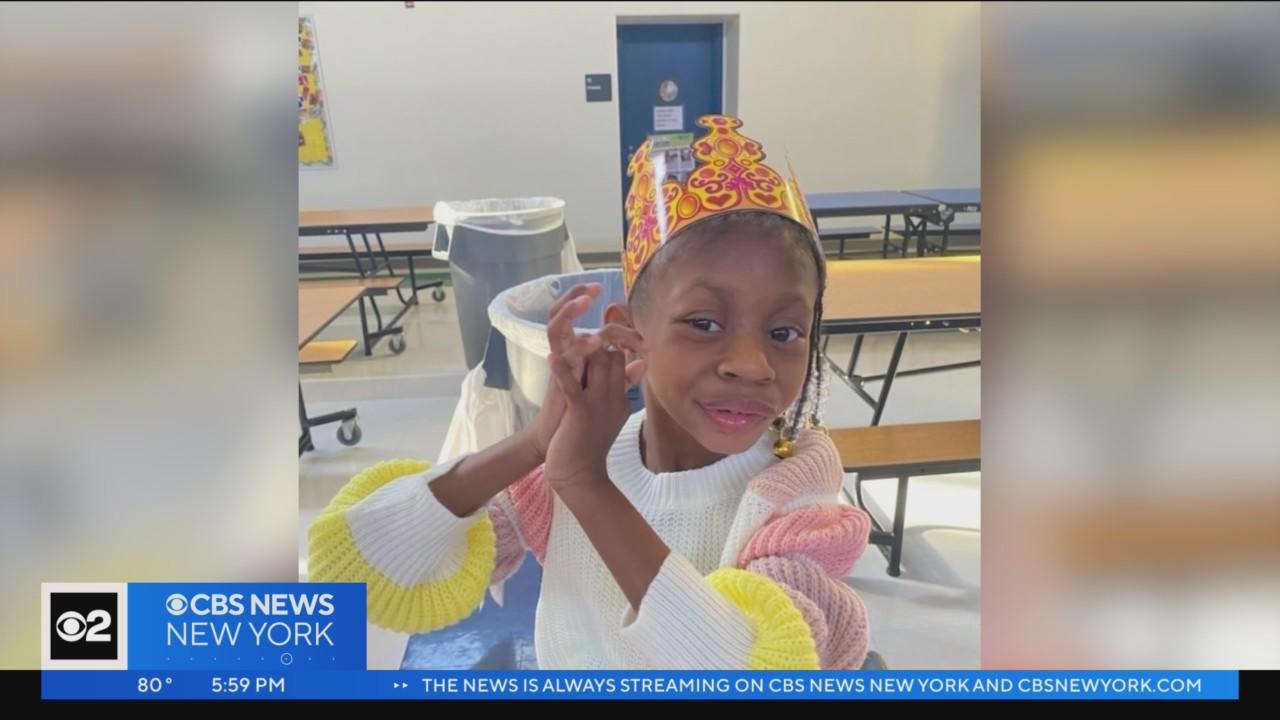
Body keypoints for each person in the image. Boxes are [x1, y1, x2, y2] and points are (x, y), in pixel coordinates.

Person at [309, 115, 872, 670]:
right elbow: (358, 566)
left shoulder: (793, 496)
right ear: (629, 333)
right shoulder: (581, 456)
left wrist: (587, 486)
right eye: (703, 323)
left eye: (784, 333)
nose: (752, 366)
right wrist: (533, 444)